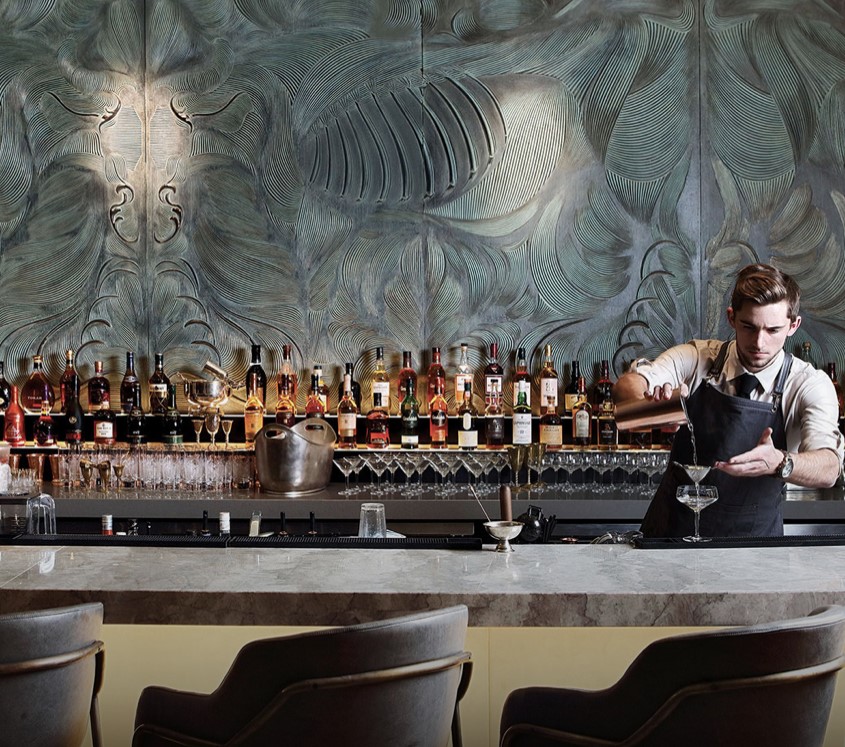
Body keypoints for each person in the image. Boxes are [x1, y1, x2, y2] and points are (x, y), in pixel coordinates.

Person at [613, 263, 844, 538]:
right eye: (749, 327)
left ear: (793, 325)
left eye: (773, 330)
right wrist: (651, 404)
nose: (759, 342)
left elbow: (829, 467)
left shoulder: (808, 384)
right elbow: (628, 385)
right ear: (731, 317)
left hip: (755, 547)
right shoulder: (698, 358)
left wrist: (779, 463)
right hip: (671, 537)